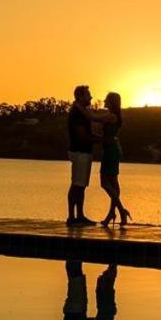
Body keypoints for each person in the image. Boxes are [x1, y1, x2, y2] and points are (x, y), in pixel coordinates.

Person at [96, 92, 131, 226]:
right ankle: (112, 213)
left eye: (106, 100)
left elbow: (94, 117)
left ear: (112, 102)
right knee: (113, 183)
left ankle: (121, 210)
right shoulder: (114, 116)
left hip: (110, 151)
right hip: (112, 149)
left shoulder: (111, 116)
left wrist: (79, 108)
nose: (104, 101)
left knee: (104, 183)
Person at [66, 85, 99, 225]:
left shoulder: (82, 112)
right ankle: (72, 217)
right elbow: (82, 137)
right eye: (88, 95)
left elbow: (86, 134)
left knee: (81, 185)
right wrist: (101, 140)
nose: (90, 97)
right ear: (80, 97)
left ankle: (79, 215)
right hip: (80, 152)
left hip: (83, 152)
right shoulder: (77, 114)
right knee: (77, 185)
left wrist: (97, 137)